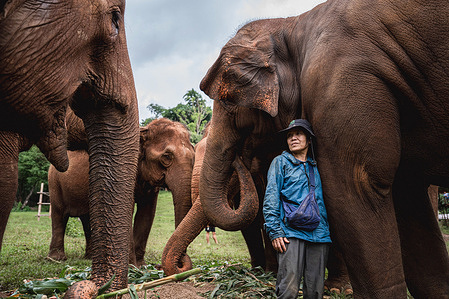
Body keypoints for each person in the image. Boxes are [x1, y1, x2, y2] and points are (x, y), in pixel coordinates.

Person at [263, 119, 332, 299]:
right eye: (289, 136)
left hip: (319, 233)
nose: (293, 138)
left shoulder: (317, 165)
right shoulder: (280, 163)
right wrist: (274, 231)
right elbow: (271, 196)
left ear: (309, 140)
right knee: (289, 288)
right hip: (290, 233)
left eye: (298, 134)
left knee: (315, 290)